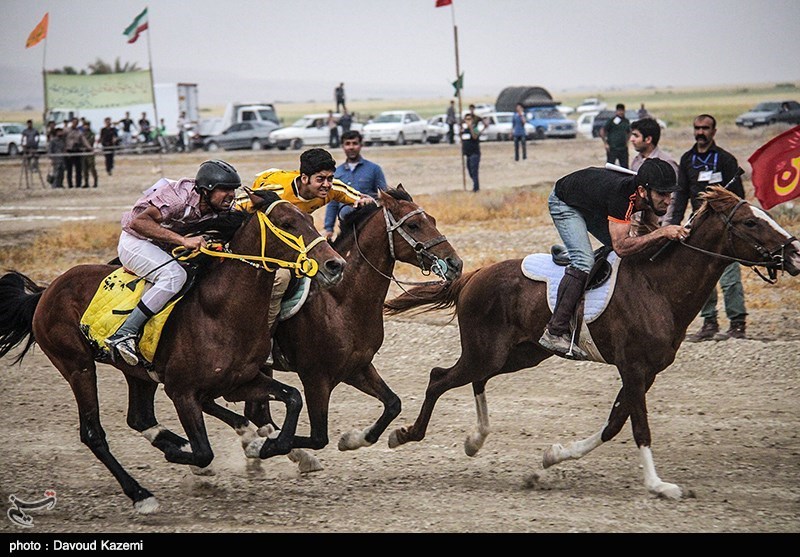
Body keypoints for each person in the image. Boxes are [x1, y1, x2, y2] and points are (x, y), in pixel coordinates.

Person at [538, 159, 688, 359]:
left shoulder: (646, 195)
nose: (668, 200)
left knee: (638, 243)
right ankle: (555, 331)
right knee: (584, 262)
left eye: (670, 193)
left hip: (592, 199)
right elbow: (621, 247)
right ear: (643, 191)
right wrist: (662, 233)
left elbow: (650, 232)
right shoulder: (623, 198)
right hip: (564, 201)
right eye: (662, 194)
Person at [105, 160, 242, 366]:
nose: (230, 195)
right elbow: (138, 222)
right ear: (206, 190)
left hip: (161, 245)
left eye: (233, 190)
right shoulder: (178, 198)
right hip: (136, 242)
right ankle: (123, 334)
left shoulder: (217, 206)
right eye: (225, 189)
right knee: (174, 276)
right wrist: (183, 241)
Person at [241, 148, 375, 338]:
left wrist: (363, 201)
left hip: (294, 235)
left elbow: (356, 197)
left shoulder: (331, 188)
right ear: (304, 178)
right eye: (320, 179)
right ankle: (263, 337)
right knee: (281, 279)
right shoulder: (277, 192)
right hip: (266, 238)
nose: (326, 185)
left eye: (330, 178)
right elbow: (237, 205)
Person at [670, 114, 747, 342]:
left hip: (725, 230)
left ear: (714, 131)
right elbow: (681, 194)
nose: (700, 132)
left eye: (705, 128)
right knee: (701, 279)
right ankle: (709, 322)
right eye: (697, 128)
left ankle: (737, 324)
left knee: (730, 277)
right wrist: (674, 223)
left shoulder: (725, 159)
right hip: (699, 229)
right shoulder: (687, 160)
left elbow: (739, 198)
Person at [324, 130, 387, 240]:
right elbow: (333, 203)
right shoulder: (337, 172)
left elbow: (384, 197)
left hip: (369, 226)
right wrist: (329, 228)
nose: (351, 147)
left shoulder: (374, 169)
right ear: (342, 146)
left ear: (361, 145)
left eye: (355, 143)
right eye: (347, 144)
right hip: (345, 227)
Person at [600, 103, 631, 169]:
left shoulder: (626, 121)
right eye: (619, 110)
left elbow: (629, 132)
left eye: (622, 110)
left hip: (623, 148)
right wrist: (605, 143)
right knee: (610, 167)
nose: (620, 112)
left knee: (625, 167)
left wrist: (627, 141)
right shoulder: (611, 121)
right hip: (612, 148)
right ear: (616, 111)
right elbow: (602, 131)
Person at [64, 117, 91, 188]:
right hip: (69, 151)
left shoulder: (79, 132)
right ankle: (70, 185)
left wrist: (90, 148)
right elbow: (62, 139)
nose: (75, 123)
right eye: (74, 122)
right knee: (69, 170)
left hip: (77, 150)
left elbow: (84, 140)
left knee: (78, 169)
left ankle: (78, 184)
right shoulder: (66, 130)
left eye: (76, 122)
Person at [461, 113, 483, 192]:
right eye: (467, 119)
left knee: (474, 171)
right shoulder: (464, 130)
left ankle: (476, 188)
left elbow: (475, 136)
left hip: (475, 153)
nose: (468, 121)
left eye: (470, 119)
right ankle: (474, 184)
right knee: (470, 171)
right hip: (468, 154)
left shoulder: (475, 128)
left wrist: (471, 128)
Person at [81, 120, 98, 188]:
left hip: (90, 153)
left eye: (87, 125)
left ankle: (95, 182)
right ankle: (86, 182)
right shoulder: (82, 134)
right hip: (83, 153)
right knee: (84, 169)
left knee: (92, 168)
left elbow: (91, 141)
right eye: (85, 125)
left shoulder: (92, 134)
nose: (86, 126)